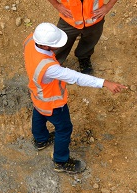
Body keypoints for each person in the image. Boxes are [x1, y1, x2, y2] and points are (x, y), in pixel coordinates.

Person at [23, 22, 127, 174]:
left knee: (38, 113)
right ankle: (61, 161)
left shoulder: (31, 40)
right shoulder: (49, 68)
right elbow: (75, 77)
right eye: (55, 44)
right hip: (53, 103)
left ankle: (40, 139)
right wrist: (105, 83)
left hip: (37, 94)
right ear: (45, 46)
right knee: (64, 129)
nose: (59, 46)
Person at [38, 0, 126, 75]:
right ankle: (55, 64)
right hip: (68, 21)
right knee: (59, 44)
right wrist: (57, 5)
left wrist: (108, 6)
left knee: (90, 42)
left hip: (95, 21)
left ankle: (84, 58)